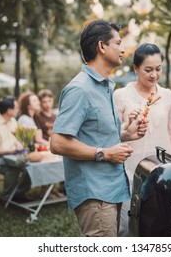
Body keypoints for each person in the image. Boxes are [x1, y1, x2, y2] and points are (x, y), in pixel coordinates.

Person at [50, 19, 148, 237]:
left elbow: (94, 134)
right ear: (102, 47)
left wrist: (126, 134)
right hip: (95, 194)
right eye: (118, 43)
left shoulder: (104, 86)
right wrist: (106, 153)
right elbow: (57, 143)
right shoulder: (80, 89)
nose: (123, 49)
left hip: (111, 188)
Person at [113, 43, 171, 236]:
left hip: (163, 175)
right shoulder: (121, 96)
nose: (154, 75)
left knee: (159, 226)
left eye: (158, 69)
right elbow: (111, 133)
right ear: (135, 69)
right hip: (129, 174)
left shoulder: (167, 96)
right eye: (148, 70)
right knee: (126, 227)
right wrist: (128, 125)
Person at [0, 96, 32, 204]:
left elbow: (16, 138)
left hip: (12, 156)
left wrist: (21, 146)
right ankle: (6, 198)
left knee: (29, 166)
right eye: (16, 108)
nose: (18, 110)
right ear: (9, 110)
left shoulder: (12, 120)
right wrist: (12, 151)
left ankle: (18, 193)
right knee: (14, 168)